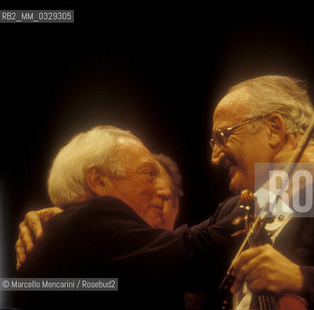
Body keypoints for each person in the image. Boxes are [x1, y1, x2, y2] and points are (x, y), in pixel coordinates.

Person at [17, 75, 314, 309]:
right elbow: (172, 251)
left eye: (222, 137)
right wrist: (67, 217)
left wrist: (301, 278)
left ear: (275, 129)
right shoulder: (233, 209)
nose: (213, 157)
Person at [14, 125, 243, 310]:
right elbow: (200, 253)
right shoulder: (88, 222)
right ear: (98, 180)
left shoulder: (69, 231)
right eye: (149, 174)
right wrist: (271, 187)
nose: (162, 191)